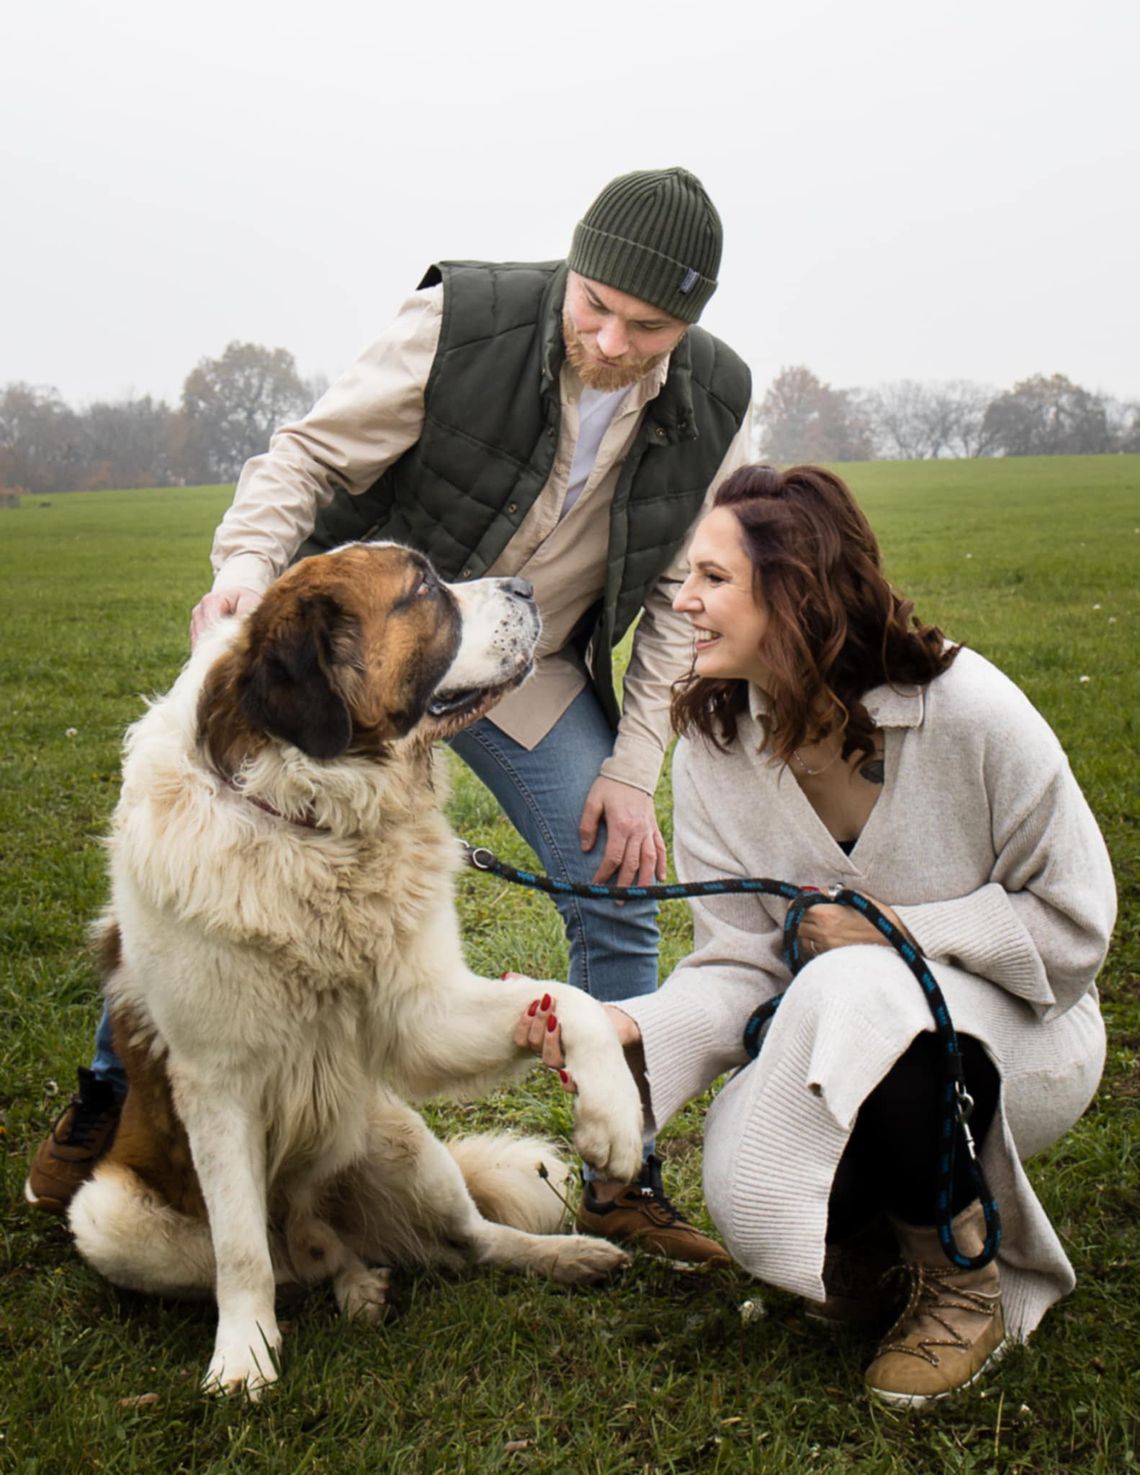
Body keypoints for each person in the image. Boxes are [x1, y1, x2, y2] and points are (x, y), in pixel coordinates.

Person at [26, 168, 752, 1264]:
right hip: (378, 647)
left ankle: (623, 1173)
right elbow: (310, 453)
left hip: (529, 663)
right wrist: (242, 578)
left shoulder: (717, 404)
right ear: (571, 266)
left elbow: (671, 604)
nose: (608, 338)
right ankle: (107, 1095)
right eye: (593, 303)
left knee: (613, 875)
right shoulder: (459, 320)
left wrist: (630, 768)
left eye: (645, 326)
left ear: (688, 324)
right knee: (187, 863)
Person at [518, 463, 1115, 1406]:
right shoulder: (717, 743)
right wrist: (629, 1027)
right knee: (746, 1192)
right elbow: (742, 963)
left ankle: (965, 1282)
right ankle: (875, 1247)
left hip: (1024, 1037)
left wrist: (893, 934)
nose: (682, 599)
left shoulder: (971, 710)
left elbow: (1079, 925)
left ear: (794, 588)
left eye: (713, 578)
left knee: (853, 989)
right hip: (839, 1037)